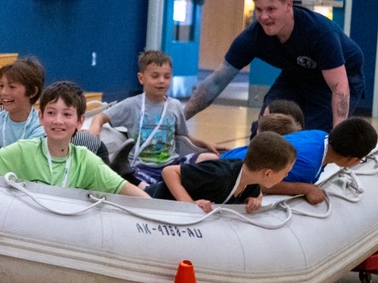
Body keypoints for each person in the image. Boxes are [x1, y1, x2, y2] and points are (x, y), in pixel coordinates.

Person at [185, 0, 364, 133]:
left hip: (338, 81)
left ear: (288, 5)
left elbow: (339, 87)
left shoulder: (318, 32)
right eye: (259, 10)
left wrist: (338, 132)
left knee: (309, 138)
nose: (263, 17)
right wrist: (179, 117)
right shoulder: (253, 37)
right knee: (266, 128)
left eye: (271, 9)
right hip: (295, 76)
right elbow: (216, 82)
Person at [0, 80, 149, 198]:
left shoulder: (86, 161)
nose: (58, 121)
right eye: (51, 113)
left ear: (79, 121)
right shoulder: (23, 150)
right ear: (41, 117)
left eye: (67, 114)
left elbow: (132, 193)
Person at [88, 50, 218, 184]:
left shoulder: (175, 105)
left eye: (167, 76)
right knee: (141, 188)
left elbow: (185, 137)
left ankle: (171, 185)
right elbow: (101, 116)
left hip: (172, 164)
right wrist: (94, 128)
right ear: (141, 78)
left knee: (211, 158)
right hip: (142, 168)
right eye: (155, 76)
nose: (161, 81)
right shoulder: (131, 104)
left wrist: (205, 144)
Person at [220, 116, 377, 205]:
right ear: (351, 159)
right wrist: (305, 188)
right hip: (225, 176)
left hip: (228, 160)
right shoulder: (307, 164)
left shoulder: (320, 136)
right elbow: (260, 182)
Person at [0, 57, 109, 161]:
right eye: (1, 85)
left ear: (33, 91)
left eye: (12, 87)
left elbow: (24, 162)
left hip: (95, 151)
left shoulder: (42, 127)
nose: (3, 92)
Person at [146, 132, 297, 213]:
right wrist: (189, 205)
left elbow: (257, 193)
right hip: (152, 198)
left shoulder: (251, 181)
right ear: (268, 173)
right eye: (285, 172)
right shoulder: (219, 175)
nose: (286, 176)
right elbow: (169, 172)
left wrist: (256, 199)